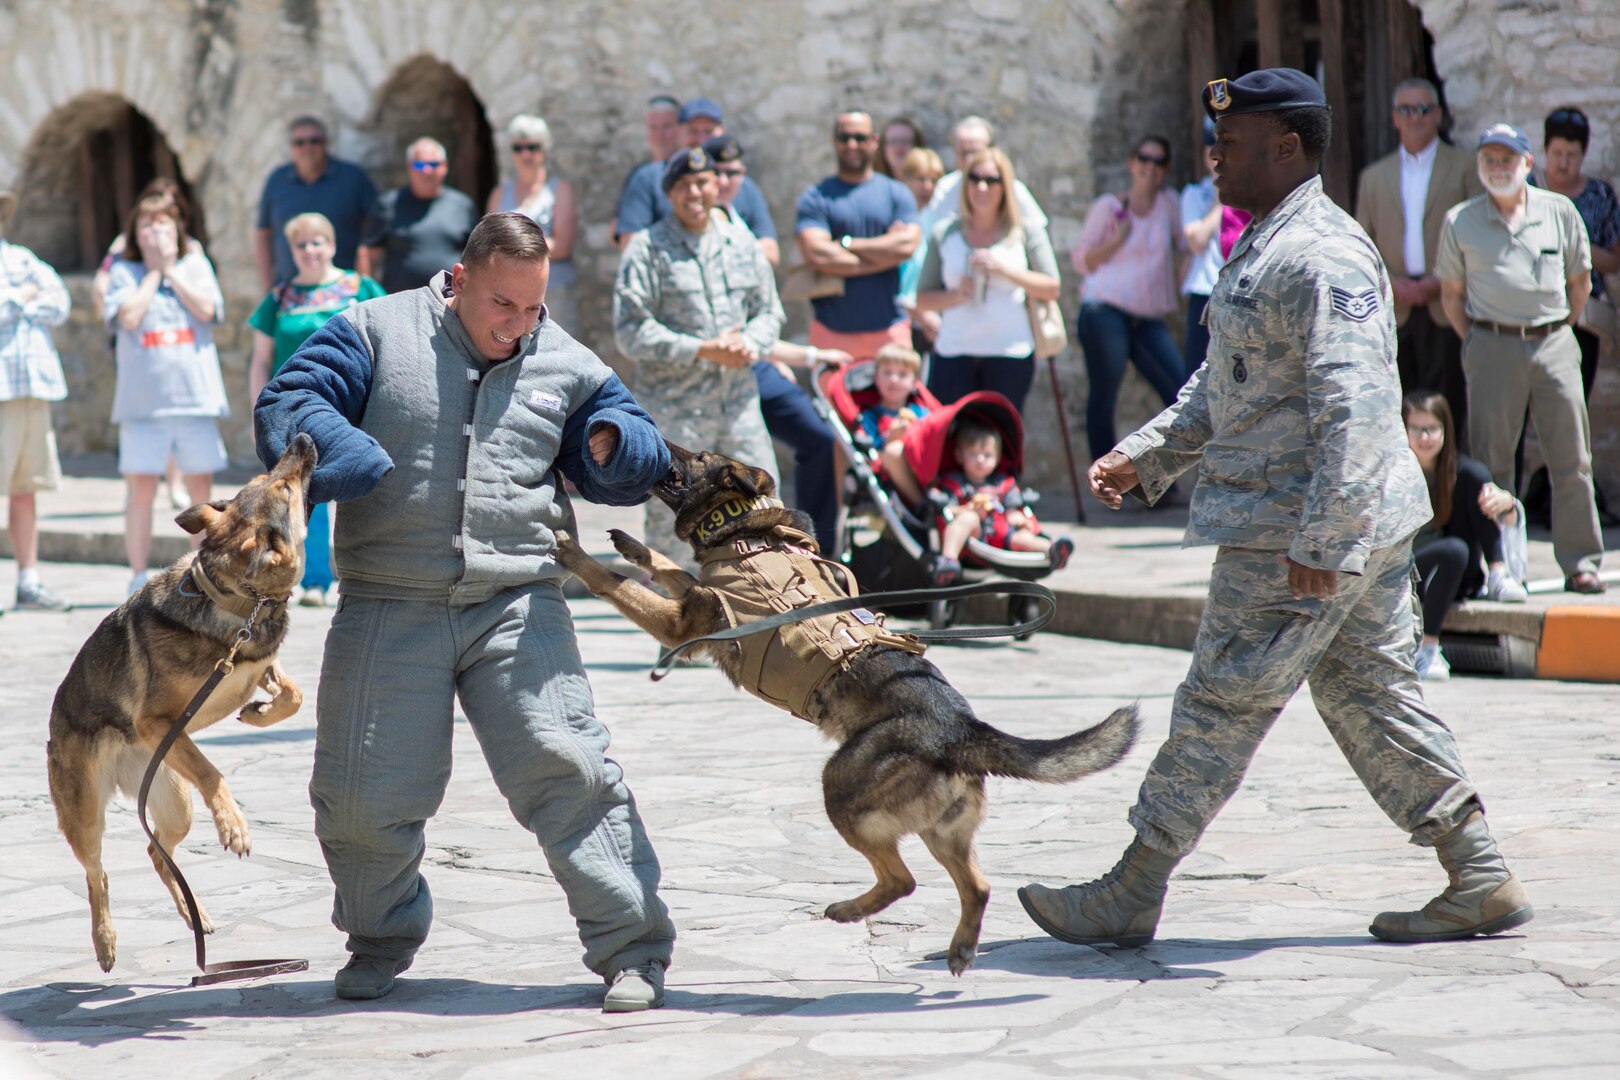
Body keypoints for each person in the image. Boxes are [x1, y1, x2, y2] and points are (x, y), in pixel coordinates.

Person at [1021, 69, 1532, 951]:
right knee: (1372, 699)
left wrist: (1323, 538)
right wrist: (1146, 455)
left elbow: (1356, 406)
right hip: (1323, 526)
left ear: (1287, 147)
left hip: (1297, 532)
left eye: (1235, 141)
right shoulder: (1264, 244)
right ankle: (1478, 873)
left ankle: (1129, 891)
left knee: (1221, 702)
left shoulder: (1320, 253)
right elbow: (1229, 384)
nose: (1213, 156)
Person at [255, 212, 677, 1010]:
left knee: (572, 771)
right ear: (459, 280)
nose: (518, 327)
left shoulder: (566, 360)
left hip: (517, 599)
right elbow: (293, 396)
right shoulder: (374, 331)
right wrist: (341, 451)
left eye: (532, 308)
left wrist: (611, 445)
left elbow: (634, 439)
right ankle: (379, 938)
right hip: (387, 598)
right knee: (360, 796)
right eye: (502, 306)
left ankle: (634, 950)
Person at [1436, 123, 1603, 594]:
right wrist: (1479, 339)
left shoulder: (1559, 211)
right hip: (1491, 342)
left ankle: (1581, 562)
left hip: (1553, 340)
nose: (1497, 168)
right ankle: (1502, 566)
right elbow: (1451, 294)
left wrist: (1558, 329)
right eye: (1489, 159)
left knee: (1571, 456)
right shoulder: (1461, 220)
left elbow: (1580, 284)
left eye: (1507, 159)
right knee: (1492, 464)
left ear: (1528, 165)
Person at [614, 146, 786, 569]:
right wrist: (702, 350)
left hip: (738, 410)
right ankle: (676, 634)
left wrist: (749, 342)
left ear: (717, 185)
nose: (696, 192)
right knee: (673, 533)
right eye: (685, 185)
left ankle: (760, 625)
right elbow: (631, 331)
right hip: (679, 417)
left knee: (765, 511)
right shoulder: (648, 250)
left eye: (703, 182)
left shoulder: (741, 242)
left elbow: (770, 312)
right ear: (669, 192)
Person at [247, 212, 385, 607]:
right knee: (309, 490)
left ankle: (366, 570)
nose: (310, 251)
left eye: (317, 242)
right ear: (291, 250)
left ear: (332, 245)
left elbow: (386, 342)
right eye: (301, 244)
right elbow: (261, 358)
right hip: (296, 408)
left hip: (353, 403)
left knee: (362, 481)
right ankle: (315, 579)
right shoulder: (279, 298)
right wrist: (258, 409)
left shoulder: (361, 288)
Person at [105, 193, 228, 596]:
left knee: (201, 494)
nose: (155, 232)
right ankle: (138, 574)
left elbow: (209, 311)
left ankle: (204, 571)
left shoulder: (195, 265)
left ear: (178, 229)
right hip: (144, 406)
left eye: (163, 224)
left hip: (195, 399)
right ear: (135, 233)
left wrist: (172, 271)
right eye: (146, 225)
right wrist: (154, 274)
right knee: (140, 491)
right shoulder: (124, 271)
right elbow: (128, 316)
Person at [1354, 78, 1483, 450]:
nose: (1415, 117)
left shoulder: (1463, 167)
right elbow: (1362, 244)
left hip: (1445, 303)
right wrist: (1391, 284)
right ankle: (1406, 503)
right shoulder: (1373, 177)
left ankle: (1448, 499)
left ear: (1438, 115)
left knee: (1447, 410)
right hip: (1395, 309)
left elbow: (1476, 235)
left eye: (1423, 109)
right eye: (1406, 110)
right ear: (1394, 117)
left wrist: (1438, 280)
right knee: (1397, 412)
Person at [914, 147, 1061, 414]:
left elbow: (1052, 287)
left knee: (1002, 442)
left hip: (1009, 351)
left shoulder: (1024, 230)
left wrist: (1004, 271)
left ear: (1004, 186)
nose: (981, 186)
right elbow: (922, 297)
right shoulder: (944, 232)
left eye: (991, 179)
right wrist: (956, 295)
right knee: (951, 438)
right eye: (974, 178)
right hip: (954, 350)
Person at [1073, 134, 1187, 464]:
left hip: (1147, 317)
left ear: (1165, 170)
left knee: (1179, 393)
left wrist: (1181, 282)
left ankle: (1158, 478)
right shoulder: (1109, 207)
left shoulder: (1169, 205)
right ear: (1131, 162)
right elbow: (1082, 261)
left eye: (1158, 161)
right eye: (1143, 158)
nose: (1149, 166)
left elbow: (1185, 246)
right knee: (1105, 393)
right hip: (1105, 310)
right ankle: (1105, 478)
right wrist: (1117, 240)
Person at [1404, 390, 1528, 683]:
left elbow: (1505, 514)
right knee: (1454, 551)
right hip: (1406, 571)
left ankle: (1498, 572)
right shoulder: (1394, 472)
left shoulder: (1459, 472)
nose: (1425, 437)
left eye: (1432, 429)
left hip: (1454, 575)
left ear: (1445, 430)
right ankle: (1428, 648)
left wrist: (1508, 504)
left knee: (1477, 478)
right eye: (1417, 429)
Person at [1535, 105, 1619, 525]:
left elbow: (1613, 259)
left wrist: (1575, 247)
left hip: (1580, 320)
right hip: (1531, 317)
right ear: (1544, 150)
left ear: (1582, 154)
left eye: (1571, 154)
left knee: (1573, 410)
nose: (1563, 163)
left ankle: (1569, 503)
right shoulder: (1528, 188)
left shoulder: (1599, 196)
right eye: (1556, 153)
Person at [794, 111, 921, 356]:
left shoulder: (897, 193)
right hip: (831, 333)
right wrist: (884, 255)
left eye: (860, 138)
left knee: (895, 396)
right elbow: (817, 255)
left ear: (874, 141)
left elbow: (905, 246)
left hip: (889, 332)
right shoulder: (816, 197)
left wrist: (845, 244)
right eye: (845, 137)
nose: (852, 145)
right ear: (834, 141)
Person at [0, 189, 73, 612]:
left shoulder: (22, 258)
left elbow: (59, 300)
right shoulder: (24, 272)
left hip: (30, 385)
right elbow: (31, 300)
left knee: (26, 489)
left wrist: (20, 302)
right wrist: (23, 299)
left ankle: (28, 581)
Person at [928, 418, 1072, 586]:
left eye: (987, 455)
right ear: (959, 456)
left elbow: (1011, 509)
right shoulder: (955, 483)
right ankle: (948, 560)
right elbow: (948, 510)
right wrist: (967, 509)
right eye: (973, 454)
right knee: (968, 518)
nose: (980, 459)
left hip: (1003, 534)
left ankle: (1052, 549)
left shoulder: (1003, 484)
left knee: (1021, 537)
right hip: (975, 537)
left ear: (997, 458)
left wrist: (1017, 517)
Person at [255, 115, 377, 290]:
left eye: (315, 141)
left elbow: (373, 232)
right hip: (290, 292)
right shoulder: (277, 181)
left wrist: (363, 280)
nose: (308, 148)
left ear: (326, 143)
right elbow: (263, 234)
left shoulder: (352, 178)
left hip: (344, 290)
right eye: (300, 142)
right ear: (291, 147)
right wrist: (267, 285)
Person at [487, 114, 579, 333]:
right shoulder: (500, 194)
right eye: (518, 148)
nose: (525, 154)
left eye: (532, 147)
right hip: (508, 295)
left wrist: (511, 248)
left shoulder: (559, 191)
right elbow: (488, 241)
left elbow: (563, 246)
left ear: (544, 149)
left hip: (553, 293)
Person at [361, 138, 481, 295]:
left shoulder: (462, 205)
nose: (426, 171)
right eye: (419, 165)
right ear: (409, 167)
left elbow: (477, 255)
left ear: (444, 167)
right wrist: (369, 295)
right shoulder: (389, 204)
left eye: (433, 164)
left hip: (451, 302)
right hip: (400, 303)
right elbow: (368, 253)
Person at [925, 116, 1048, 232]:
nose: (969, 160)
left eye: (974, 153)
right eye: (963, 153)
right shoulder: (945, 188)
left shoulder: (1014, 190)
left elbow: (1037, 233)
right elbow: (931, 232)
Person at [855, 343, 931, 506]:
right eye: (887, 373)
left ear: (914, 383)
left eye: (902, 374)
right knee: (893, 451)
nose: (894, 379)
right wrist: (890, 437)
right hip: (890, 470)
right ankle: (922, 506)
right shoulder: (870, 416)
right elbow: (871, 453)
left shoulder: (922, 413)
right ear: (876, 378)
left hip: (922, 465)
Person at [1179, 120, 1226, 378]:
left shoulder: (1253, 193)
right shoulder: (1195, 194)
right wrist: (1221, 200)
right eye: (1210, 145)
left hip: (1241, 292)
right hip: (1204, 294)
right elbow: (1195, 240)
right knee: (1196, 378)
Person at [612, 94, 683, 247]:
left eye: (667, 126)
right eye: (654, 127)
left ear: (680, 128)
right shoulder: (639, 177)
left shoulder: (694, 172)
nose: (660, 135)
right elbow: (619, 233)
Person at [896, 148, 947, 355]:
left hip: (932, 321)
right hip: (901, 319)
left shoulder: (940, 221)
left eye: (934, 180)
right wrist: (921, 315)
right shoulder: (895, 220)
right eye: (920, 179)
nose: (927, 187)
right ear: (905, 179)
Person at [705, 134, 779, 266]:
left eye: (731, 173)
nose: (723, 182)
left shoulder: (748, 191)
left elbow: (771, 253)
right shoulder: (691, 207)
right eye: (716, 173)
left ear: (742, 173)